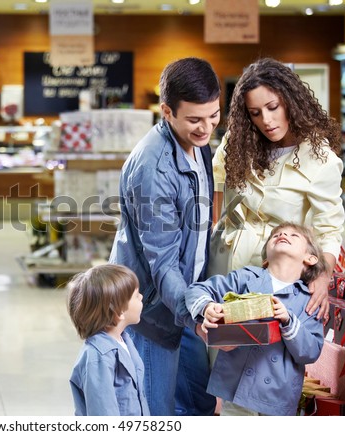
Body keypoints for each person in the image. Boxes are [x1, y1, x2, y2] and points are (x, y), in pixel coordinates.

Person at [109, 57, 220, 416]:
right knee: (155, 410)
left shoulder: (198, 143)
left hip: (185, 302)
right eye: (194, 119)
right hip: (151, 312)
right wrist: (198, 309)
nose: (206, 129)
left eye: (214, 115)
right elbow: (163, 262)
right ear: (167, 112)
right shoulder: (153, 169)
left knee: (199, 403)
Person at [211, 57, 345, 321]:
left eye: (273, 107)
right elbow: (216, 181)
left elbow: (329, 230)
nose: (266, 121)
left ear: (290, 102)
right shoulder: (239, 140)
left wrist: (322, 275)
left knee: (264, 350)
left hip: (279, 271)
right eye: (255, 113)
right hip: (226, 262)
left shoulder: (320, 159)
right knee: (218, 347)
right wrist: (215, 226)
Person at [183, 222, 327, 415]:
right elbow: (196, 290)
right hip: (237, 395)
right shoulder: (245, 278)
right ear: (266, 257)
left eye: (294, 236)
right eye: (276, 235)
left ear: (310, 258)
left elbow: (310, 352)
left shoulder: (309, 300)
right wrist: (207, 307)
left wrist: (288, 321)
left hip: (277, 402)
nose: (283, 234)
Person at [67, 264, 149, 416]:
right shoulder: (99, 358)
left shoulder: (125, 341)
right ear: (118, 311)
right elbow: (102, 413)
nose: (142, 297)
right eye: (136, 295)